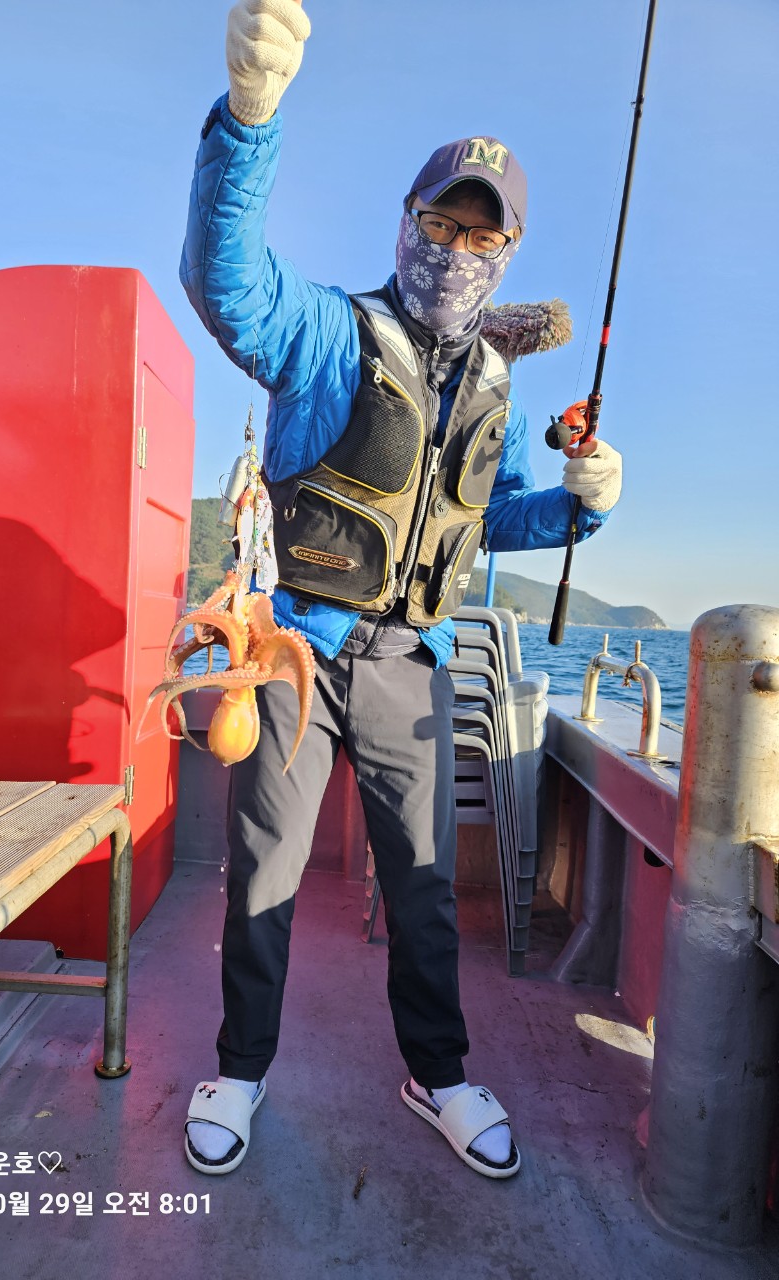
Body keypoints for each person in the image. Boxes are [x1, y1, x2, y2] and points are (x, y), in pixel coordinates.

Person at [179, 0, 622, 1179]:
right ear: (408, 221)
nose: (457, 249)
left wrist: (583, 501)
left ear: (507, 254)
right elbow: (227, 282)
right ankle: (240, 1066)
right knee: (265, 873)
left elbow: (500, 520)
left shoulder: (498, 390)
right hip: (294, 646)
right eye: (441, 222)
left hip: (410, 664)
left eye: (483, 235)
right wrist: (250, 118)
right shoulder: (330, 332)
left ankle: (439, 1072)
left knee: (424, 888)